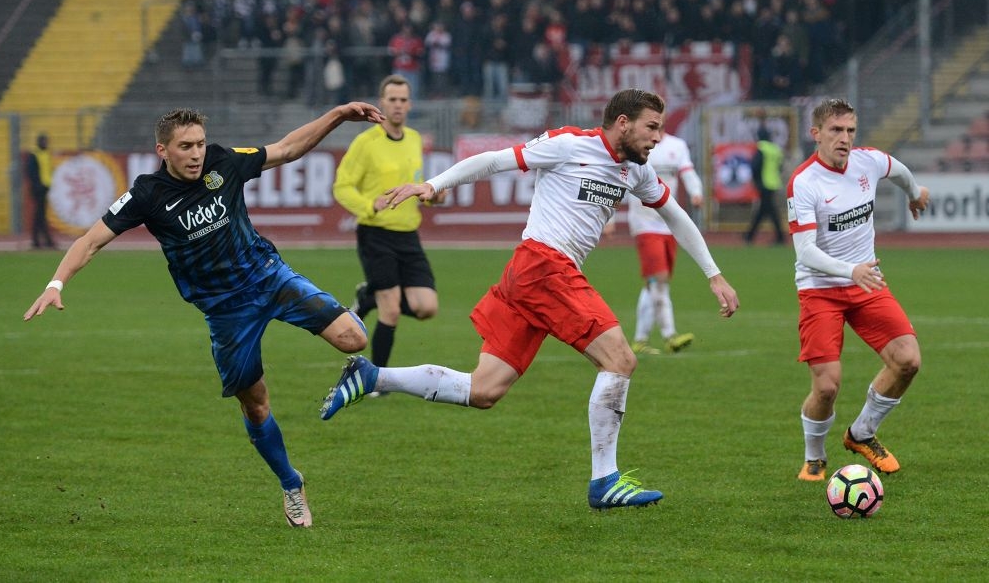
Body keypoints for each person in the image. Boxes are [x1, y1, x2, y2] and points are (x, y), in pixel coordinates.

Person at [321, 89, 740, 509]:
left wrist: (714, 274)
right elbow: (493, 161)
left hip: (537, 278)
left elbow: (675, 216)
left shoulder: (635, 171)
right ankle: (605, 482)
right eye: (652, 127)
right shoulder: (569, 144)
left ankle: (372, 377)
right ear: (623, 123)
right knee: (621, 359)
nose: (658, 138)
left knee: (483, 390)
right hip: (544, 265)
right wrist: (433, 184)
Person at [23, 102, 385, 527]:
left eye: (198, 144)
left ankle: (355, 369)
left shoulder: (223, 162)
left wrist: (339, 115)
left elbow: (287, 149)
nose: (196, 154)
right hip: (225, 311)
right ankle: (291, 483)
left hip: (269, 278)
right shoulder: (146, 194)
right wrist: (56, 283)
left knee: (354, 339)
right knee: (256, 406)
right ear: (163, 150)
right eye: (185, 147)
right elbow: (89, 241)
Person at [788, 98, 929, 482]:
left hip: (865, 281)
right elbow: (805, 251)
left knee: (908, 360)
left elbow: (896, 169)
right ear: (815, 133)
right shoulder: (804, 182)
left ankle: (862, 433)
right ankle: (814, 457)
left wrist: (914, 191)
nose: (845, 138)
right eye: (835, 130)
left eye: (850, 130)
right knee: (828, 386)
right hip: (821, 289)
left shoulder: (866, 161)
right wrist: (850, 271)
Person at [333, 75, 444, 373]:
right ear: (382, 103)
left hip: (408, 234)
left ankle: (367, 297)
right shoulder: (365, 142)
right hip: (375, 235)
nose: (397, 105)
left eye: (403, 100)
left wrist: (433, 197)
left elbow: (416, 185)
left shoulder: (415, 139)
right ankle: (376, 381)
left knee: (426, 307)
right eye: (392, 99)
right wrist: (369, 206)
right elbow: (341, 186)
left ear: (410, 104)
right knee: (391, 309)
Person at [624, 130, 704, 356]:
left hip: (668, 222)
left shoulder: (677, 145)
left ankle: (640, 340)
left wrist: (696, 191)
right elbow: (619, 178)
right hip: (644, 223)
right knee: (658, 279)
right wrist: (610, 216)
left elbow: (687, 173)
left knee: (656, 283)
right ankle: (670, 335)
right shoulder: (635, 143)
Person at [744, 116, 786, 245]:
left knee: (768, 210)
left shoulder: (761, 148)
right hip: (774, 182)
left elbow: (755, 166)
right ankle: (750, 235)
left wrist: (755, 180)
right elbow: (780, 166)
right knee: (765, 209)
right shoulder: (775, 149)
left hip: (764, 183)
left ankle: (779, 237)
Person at [26, 132, 56, 249]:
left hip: (45, 188)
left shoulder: (46, 153)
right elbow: (32, 173)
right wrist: (37, 186)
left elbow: (48, 170)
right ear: (39, 142)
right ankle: (43, 241)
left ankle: (39, 241)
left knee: (40, 215)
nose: (45, 143)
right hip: (38, 189)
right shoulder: (34, 154)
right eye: (44, 141)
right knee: (40, 215)